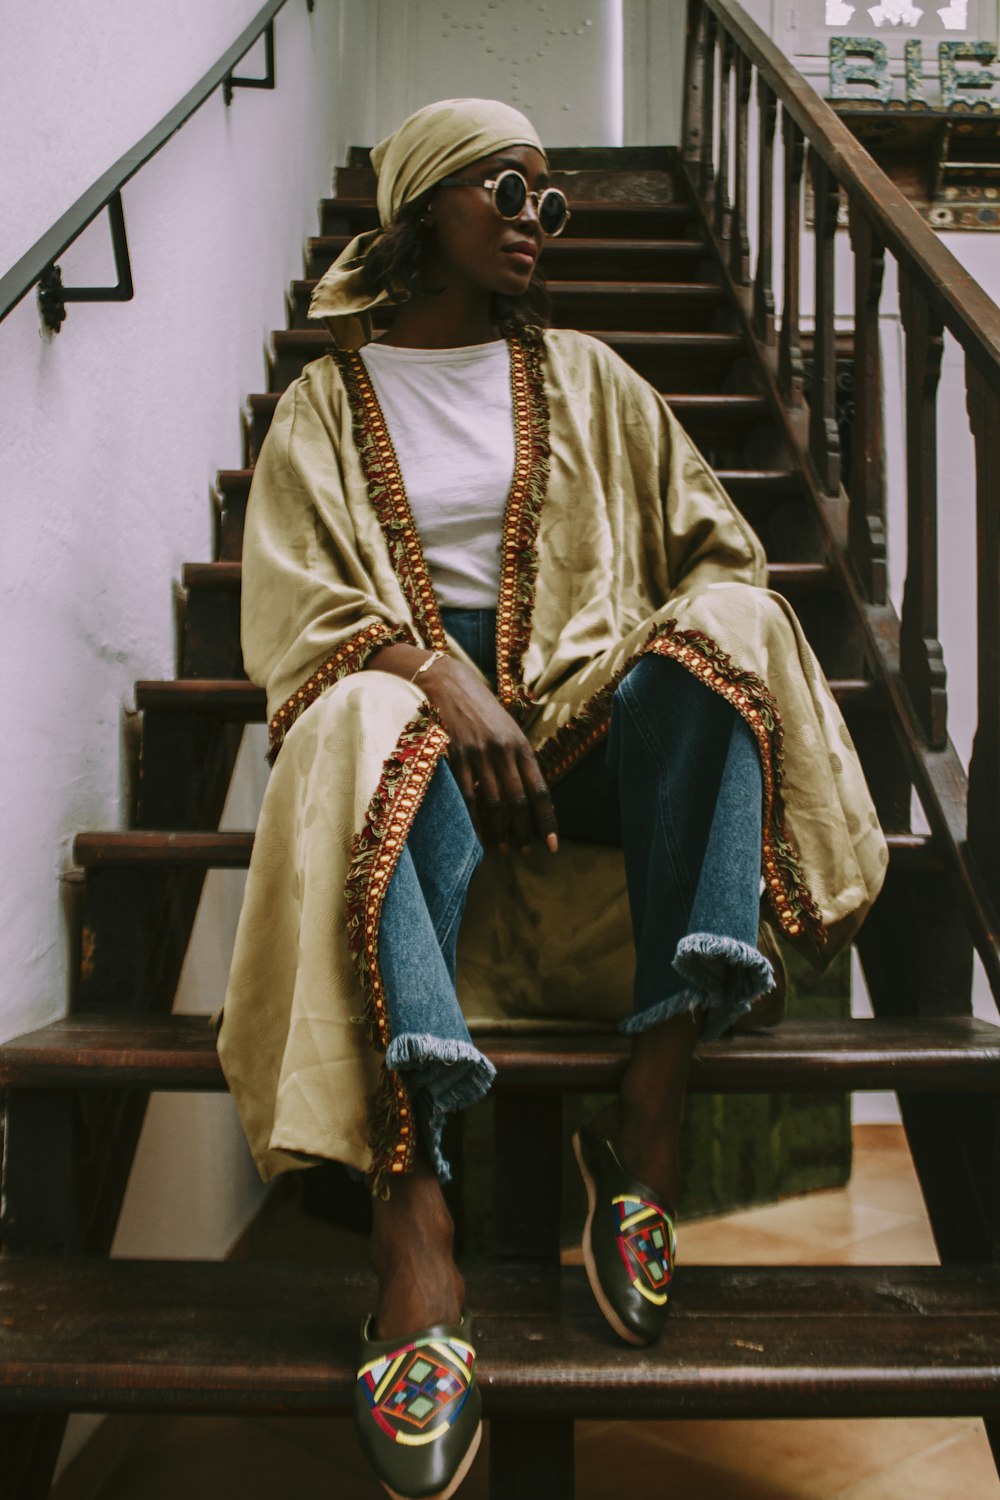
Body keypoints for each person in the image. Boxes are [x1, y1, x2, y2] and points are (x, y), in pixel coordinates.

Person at [216, 98, 886, 1500]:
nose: (535, 217)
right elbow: (289, 616)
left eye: (551, 201)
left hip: (584, 734)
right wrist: (437, 676)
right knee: (345, 717)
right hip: (418, 753)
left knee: (744, 629)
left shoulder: (592, 375)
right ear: (420, 213)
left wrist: (608, 666)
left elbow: (721, 552)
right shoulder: (322, 405)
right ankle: (413, 1220)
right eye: (506, 190)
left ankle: (647, 1109)